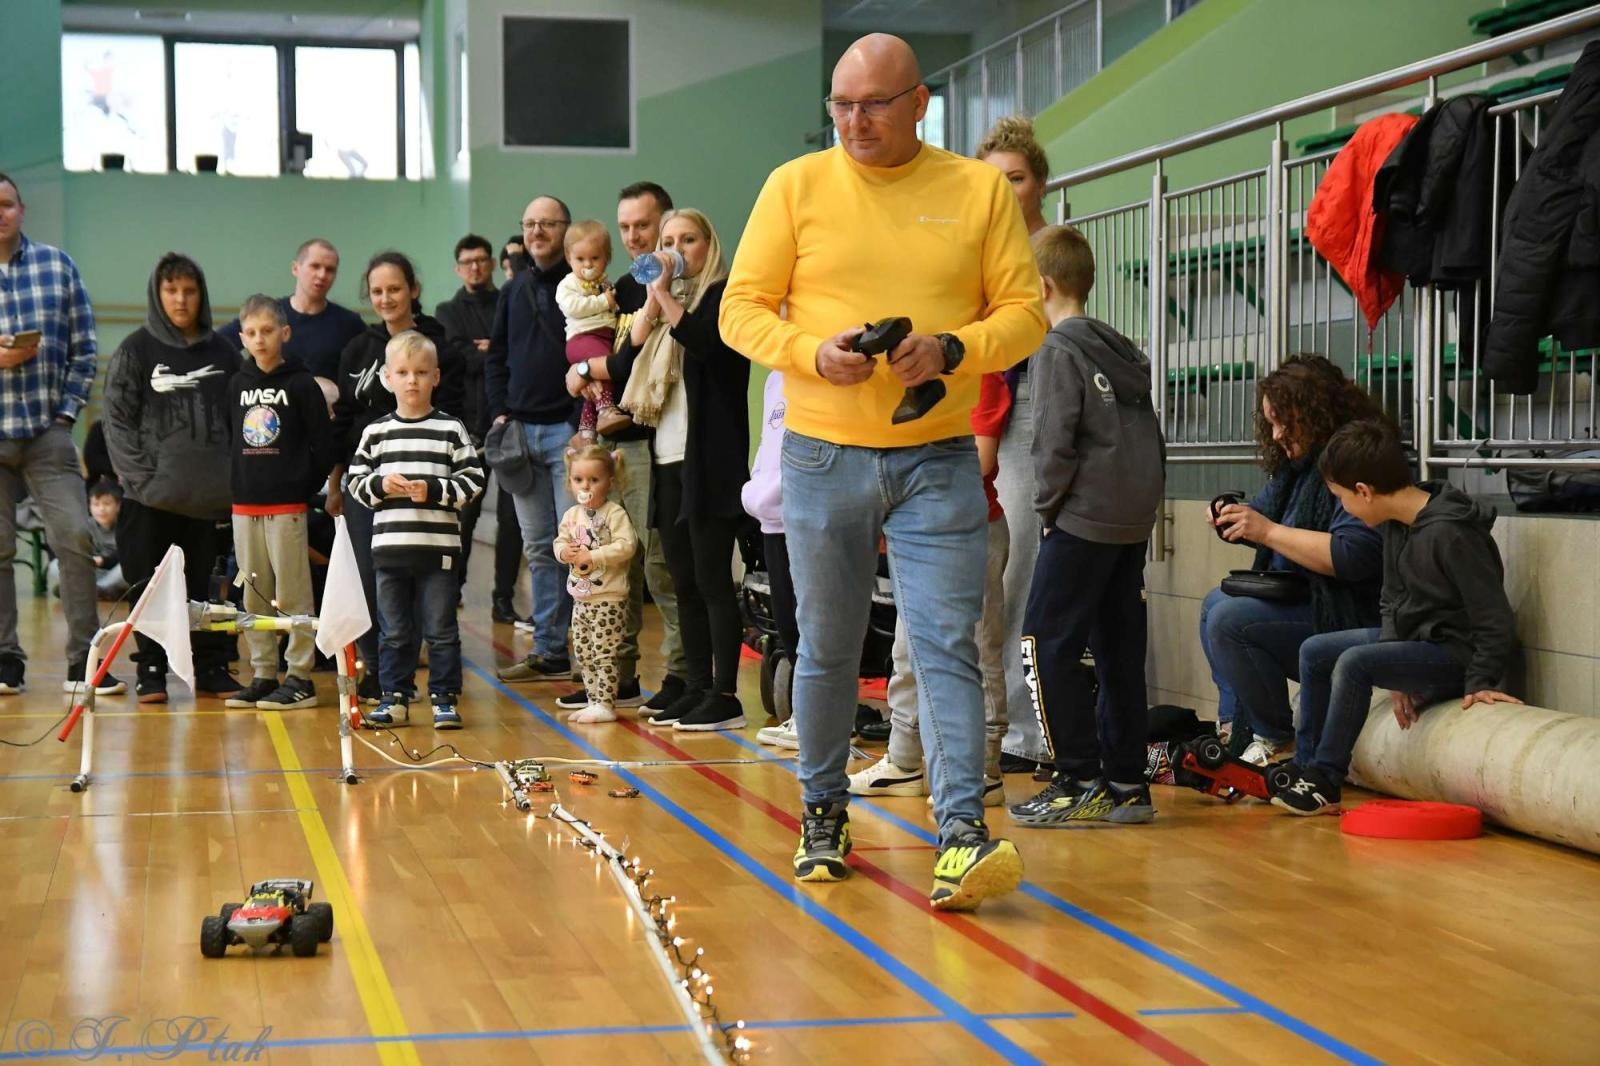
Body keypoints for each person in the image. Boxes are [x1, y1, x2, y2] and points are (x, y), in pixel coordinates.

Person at [720, 34, 1046, 911]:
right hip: (822, 455)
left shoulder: (976, 190)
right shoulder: (796, 186)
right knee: (827, 648)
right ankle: (822, 811)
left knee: (945, 646)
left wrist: (953, 350)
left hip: (938, 458)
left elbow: (1024, 316)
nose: (853, 122)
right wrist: (808, 354)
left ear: (919, 103)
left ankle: (962, 834)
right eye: (840, 105)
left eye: (872, 104)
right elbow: (738, 311)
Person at [1274, 419, 1521, 815]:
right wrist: (1394, 667)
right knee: (1315, 651)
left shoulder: (1452, 534)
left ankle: (1326, 778)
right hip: (1415, 645)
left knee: (1354, 663)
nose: (1343, 509)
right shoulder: (1395, 526)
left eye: (1341, 499)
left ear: (1364, 492)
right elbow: (1390, 599)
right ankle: (1305, 765)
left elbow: (1493, 618)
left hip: (1453, 656)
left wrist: (1480, 680)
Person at [1006, 225, 1166, 827]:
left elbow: (1053, 442)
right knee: (1119, 649)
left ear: (1041, 285)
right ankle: (1127, 781)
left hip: (1079, 521)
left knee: (1043, 643)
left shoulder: (1056, 350)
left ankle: (1075, 776)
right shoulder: (1120, 349)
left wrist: (1047, 510)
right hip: (1128, 522)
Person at [1201, 354, 1385, 765]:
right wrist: (1234, 519)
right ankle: (1234, 730)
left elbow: (1352, 556)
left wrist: (1264, 530)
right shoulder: (1296, 469)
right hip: (1303, 600)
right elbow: (1266, 522)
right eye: (1270, 422)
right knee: (1215, 603)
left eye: (1285, 420)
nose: (1278, 432)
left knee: (1229, 619)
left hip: (1348, 616)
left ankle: (1275, 736)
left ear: (1316, 411)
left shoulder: (1353, 458)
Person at [847, 365, 1012, 804]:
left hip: (973, 526)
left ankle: (985, 767)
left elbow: (982, 457)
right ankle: (904, 759)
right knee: (907, 646)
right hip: (918, 530)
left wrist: (909, 475)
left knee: (976, 648)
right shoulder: (909, 376)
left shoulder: (982, 373)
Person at [557, 180, 687, 715]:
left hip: (660, 442)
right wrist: (579, 372)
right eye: (626, 226)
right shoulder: (618, 290)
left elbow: (631, 363)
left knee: (658, 563)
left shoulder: (673, 286)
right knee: (617, 569)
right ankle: (617, 676)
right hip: (615, 442)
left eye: (643, 225)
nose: (634, 236)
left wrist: (583, 369)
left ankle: (680, 674)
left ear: (666, 224)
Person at [621, 208, 749, 732]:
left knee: (715, 581)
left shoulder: (724, 297)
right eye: (668, 240)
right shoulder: (663, 307)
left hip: (711, 461)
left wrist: (667, 295)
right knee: (682, 581)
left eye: (688, 239)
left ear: (709, 246)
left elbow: (708, 345)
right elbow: (624, 358)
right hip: (669, 460)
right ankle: (696, 686)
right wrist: (654, 299)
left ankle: (725, 694)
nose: (677, 248)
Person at [103, 252, 242, 703]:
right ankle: (152, 670)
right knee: (148, 590)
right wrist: (144, 481)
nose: (180, 300)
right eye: (171, 290)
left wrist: (232, 482)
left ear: (201, 295)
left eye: (189, 290)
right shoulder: (134, 350)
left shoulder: (224, 353)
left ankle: (213, 666)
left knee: (210, 595)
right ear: (157, 294)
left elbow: (242, 422)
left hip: (212, 504)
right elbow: (117, 423)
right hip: (150, 501)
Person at [0, 172, 119, 695]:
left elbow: (85, 346)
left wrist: (67, 415)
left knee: (74, 536)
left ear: (22, 210)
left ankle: (84, 660)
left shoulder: (57, 265)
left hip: (48, 432)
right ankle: (6, 658)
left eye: (6, 204)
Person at [329, 251, 458, 701]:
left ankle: (416, 682)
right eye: (378, 291)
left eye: (395, 289)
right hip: (369, 488)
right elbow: (343, 417)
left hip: (427, 490)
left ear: (413, 290)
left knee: (423, 588)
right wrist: (338, 482)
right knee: (371, 580)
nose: (386, 298)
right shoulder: (358, 348)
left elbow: (457, 412)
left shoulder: (440, 341)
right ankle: (379, 675)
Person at [347, 331, 484, 730]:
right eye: (403, 372)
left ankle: (444, 697)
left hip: (437, 553)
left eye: (421, 372)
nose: (412, 381)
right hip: (390, 552)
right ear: (387, 378)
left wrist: (436, 490)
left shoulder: (450, 429)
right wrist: (380, 486)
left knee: (441, 631)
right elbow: (356, 481)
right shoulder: (376, 432)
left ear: (436, 377)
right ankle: (395, 696)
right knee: (394, 632)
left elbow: (473, 480)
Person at [980, 115, 1054, 777]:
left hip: (1034, 414)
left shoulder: (1053, 251)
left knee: (1021, 576)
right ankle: (981, 721)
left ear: (1040, 184)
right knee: (981, 581)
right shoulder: (974, 249)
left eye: (1017, 179)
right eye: (992, 181)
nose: (1005, 191)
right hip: (977, 414)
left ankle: (1024, 733)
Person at [224, 294, 336, 710]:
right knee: (253, 595)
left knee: (292, 595)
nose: (259, 339)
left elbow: (323, 447)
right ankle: (264, 673)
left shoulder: (301, 385)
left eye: (267, 331)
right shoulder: (235, 385)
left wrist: (298, 488)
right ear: (242, 337)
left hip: (288, 508)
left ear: (284, 333)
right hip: (244, 508)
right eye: (251, 332)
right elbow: (231, 440)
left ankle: (300, 675)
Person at [488, 196, 581, 684]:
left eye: (548, 223)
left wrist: (577, 421)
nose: (538, 231)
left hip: (568, 436)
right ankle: (549, 649)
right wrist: (501, 413)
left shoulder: (582, 286)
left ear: (566, 230)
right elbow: (496, 357)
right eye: (530, 224)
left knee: (577, 547)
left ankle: (587, 648)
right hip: (521, 435)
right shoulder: (512, 290)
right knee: (539, 547)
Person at [435, 233, 526, 618]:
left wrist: (490, 349)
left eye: (481, 260)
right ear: (458, 269)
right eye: (467, 261)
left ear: (492, 263)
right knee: (464, 515)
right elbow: (461, 357)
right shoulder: (447, 311)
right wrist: (491, 351)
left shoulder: (510, 299)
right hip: (468, 429)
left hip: (508, 425)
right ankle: (451, 590)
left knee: (511, 518)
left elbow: (514, 352)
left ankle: (503, 600)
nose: (475, 266)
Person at [554, 444, 637, 723]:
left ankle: (605, 703)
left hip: (609, 597)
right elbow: (560, 542)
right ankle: (592, 699)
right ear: (570, 482)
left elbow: (627, 546)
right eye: (579, 480)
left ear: (609, 482)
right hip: (581, 598)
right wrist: (564, 552)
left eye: (594, 479)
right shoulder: (571, 515)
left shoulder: (615, 514)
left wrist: (595, 555)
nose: (585, 485)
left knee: (604, 652)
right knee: (583, 652)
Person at [216, 238, 365, 383]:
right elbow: (217, 345)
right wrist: (247, 381)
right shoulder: (268, 313)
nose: (322, 275)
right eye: (315, 266)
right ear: (295, 268)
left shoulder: (349, 323)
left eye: (330, 269)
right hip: (271, 404)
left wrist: (340, 394)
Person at [746, 370, 801, 750]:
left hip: (804, 516)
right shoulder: (773, 379)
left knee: (811, 621)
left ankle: (822, 720)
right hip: (772, 518)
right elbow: (769, 445)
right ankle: (804, 714)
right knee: (787, 618)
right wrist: (757, 492)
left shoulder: (815, 372)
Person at [555, 220, 628, 441]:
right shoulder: (568, 285)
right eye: (580, 259)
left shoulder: (607, 282)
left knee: (594, 383)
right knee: (604, 366)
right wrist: (604, 302)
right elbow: (573, 307)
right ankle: (606, 409)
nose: (588, 264)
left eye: (595, 258)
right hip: (582, 338)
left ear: (607, 258)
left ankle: (586, 429)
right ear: (569, 258)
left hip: (603, 337)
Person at [48, 480, 126, 601]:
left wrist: (104, 561)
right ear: (89, 506)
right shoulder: (85, 525)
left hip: (115, 572)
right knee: (54, 565)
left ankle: (90, 590)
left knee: (125, 569)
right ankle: (104, 591)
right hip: (93, 572)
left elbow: (129, 555)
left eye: (107, 504)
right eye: (96, 504)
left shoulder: (127, 525)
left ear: (118, 505)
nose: (101, 509)